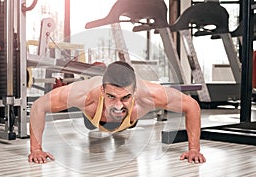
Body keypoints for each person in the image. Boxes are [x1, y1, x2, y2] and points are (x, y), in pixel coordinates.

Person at [28, 61, 206, 164]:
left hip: (129, 121)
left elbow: (192, 106)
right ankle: (91, 73)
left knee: (124, 119)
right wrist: (36, 149)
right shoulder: (84, 95)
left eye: (125, 97)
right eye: (112, 96)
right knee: (90, 123)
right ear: (103, 90)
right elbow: (38, 106)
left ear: (135, 91)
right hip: (93, 118)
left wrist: (193, 149)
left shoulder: (149, 94)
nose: (118, 105)